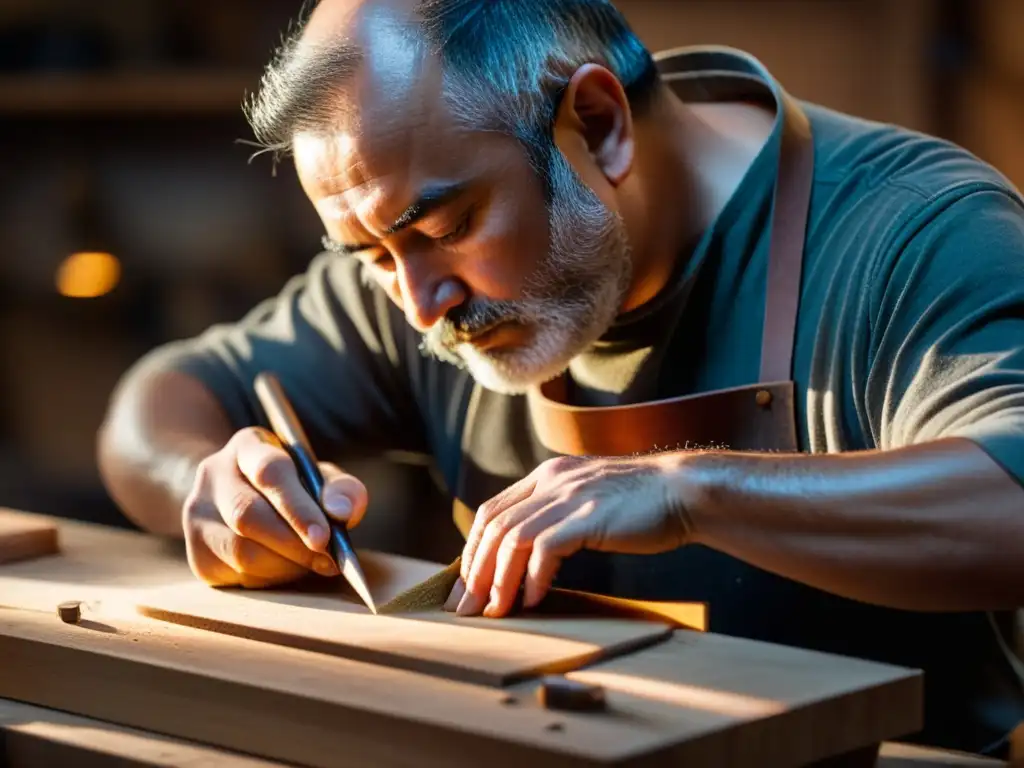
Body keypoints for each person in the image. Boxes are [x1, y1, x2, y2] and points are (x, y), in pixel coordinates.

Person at [97, 0, 1024, 756]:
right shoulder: (410, 254)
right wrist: (212, 486)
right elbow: (156, 406)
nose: (419, 304)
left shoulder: (912, 236)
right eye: (371, 255)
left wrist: (688, 489)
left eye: (446, 228)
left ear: (597, 123)